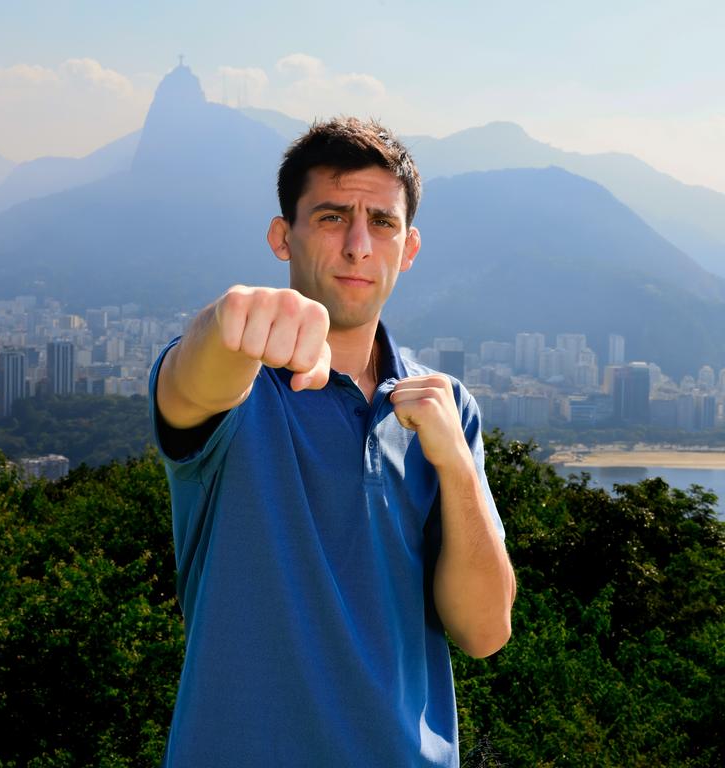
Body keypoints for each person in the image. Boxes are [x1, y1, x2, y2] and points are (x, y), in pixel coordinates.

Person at [148, 117, 515, 767]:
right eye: (330, 217)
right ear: (281, 237)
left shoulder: (447, 406)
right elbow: (188, 387)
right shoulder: (241, 384)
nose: (357, 245)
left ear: (408, 248)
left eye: (382, 223)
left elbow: (484, 631)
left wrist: (456, 464)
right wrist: (228, 324)